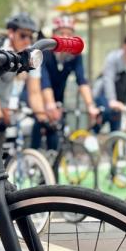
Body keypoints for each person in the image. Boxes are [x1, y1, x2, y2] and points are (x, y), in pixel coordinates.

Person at [31, 15, 98, 150]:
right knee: (40, 123)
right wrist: (49, 104)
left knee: (56, 134)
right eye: (62, 33)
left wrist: (90, 105)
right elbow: (44, 81)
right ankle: (33, 158)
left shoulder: (75, 56)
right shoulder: (44, 52)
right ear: (53, 35)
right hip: (39, 94)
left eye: (69, 34)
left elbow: (82, 80)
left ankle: (52, 165)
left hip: (58, 97)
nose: (66, 37)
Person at [0, 12, 45, 130]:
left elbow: (34, 92)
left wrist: (43, 118)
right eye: (23, 35)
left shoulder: (31, 55)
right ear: (11, 33)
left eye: (31, 37)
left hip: (5, 107)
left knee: (7, 144)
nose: (27, 41)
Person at [93, 35, 126, 133]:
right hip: (104, 94)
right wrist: (112, 100)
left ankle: (113, 144)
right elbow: (108, 79)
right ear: (125, 46)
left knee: (117, 129)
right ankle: (92, 133)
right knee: (108, 112)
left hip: (120, 98)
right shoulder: (113, 58)